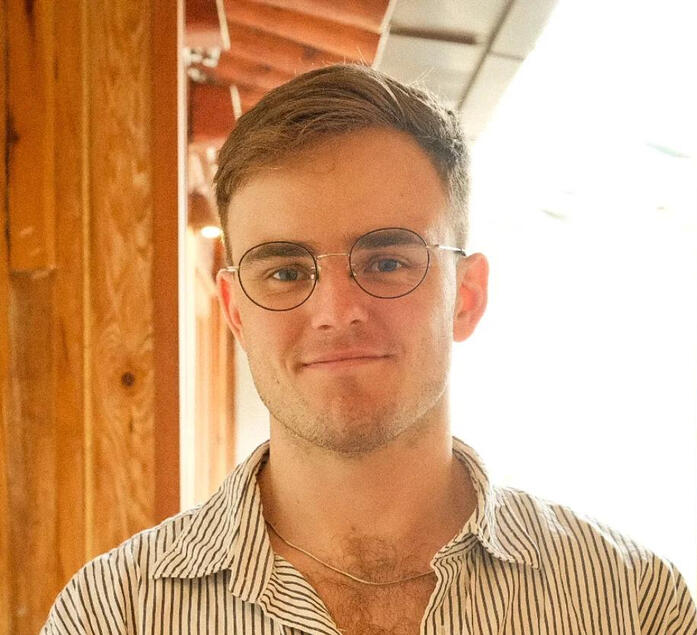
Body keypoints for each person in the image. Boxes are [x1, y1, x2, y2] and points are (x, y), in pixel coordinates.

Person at [42, 64, 697, 635]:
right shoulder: (114, 614)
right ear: (237, 311)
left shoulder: (631, 602)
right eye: (285, 271)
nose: (336, 312)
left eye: (386, 262)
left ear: (466, 296)